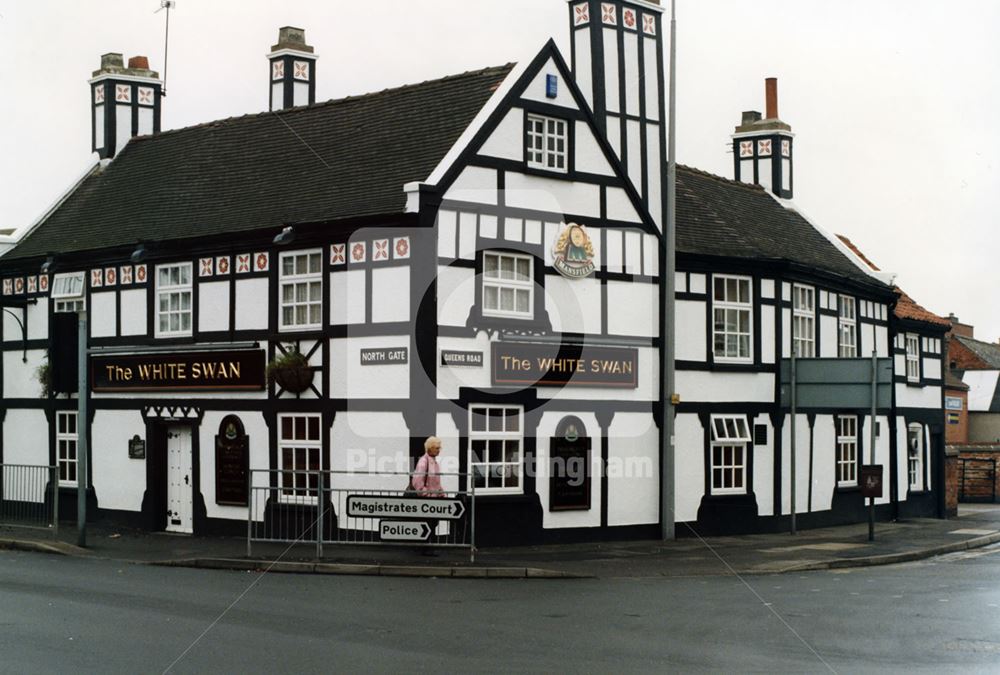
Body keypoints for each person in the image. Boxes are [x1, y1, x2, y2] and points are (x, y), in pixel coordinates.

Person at [411, 436, 445, 555]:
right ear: (429, 448)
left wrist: (441, 493)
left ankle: (428, 547)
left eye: (439, 448)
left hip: (433, 500)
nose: (439, 450)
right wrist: (427, 494)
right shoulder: (423, 462)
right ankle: (425, 548)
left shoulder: (433, 461)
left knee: (433, 523)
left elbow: (435, 481)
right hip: (427, 500)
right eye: (436, 448)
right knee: (428, 523)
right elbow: (417, 482)